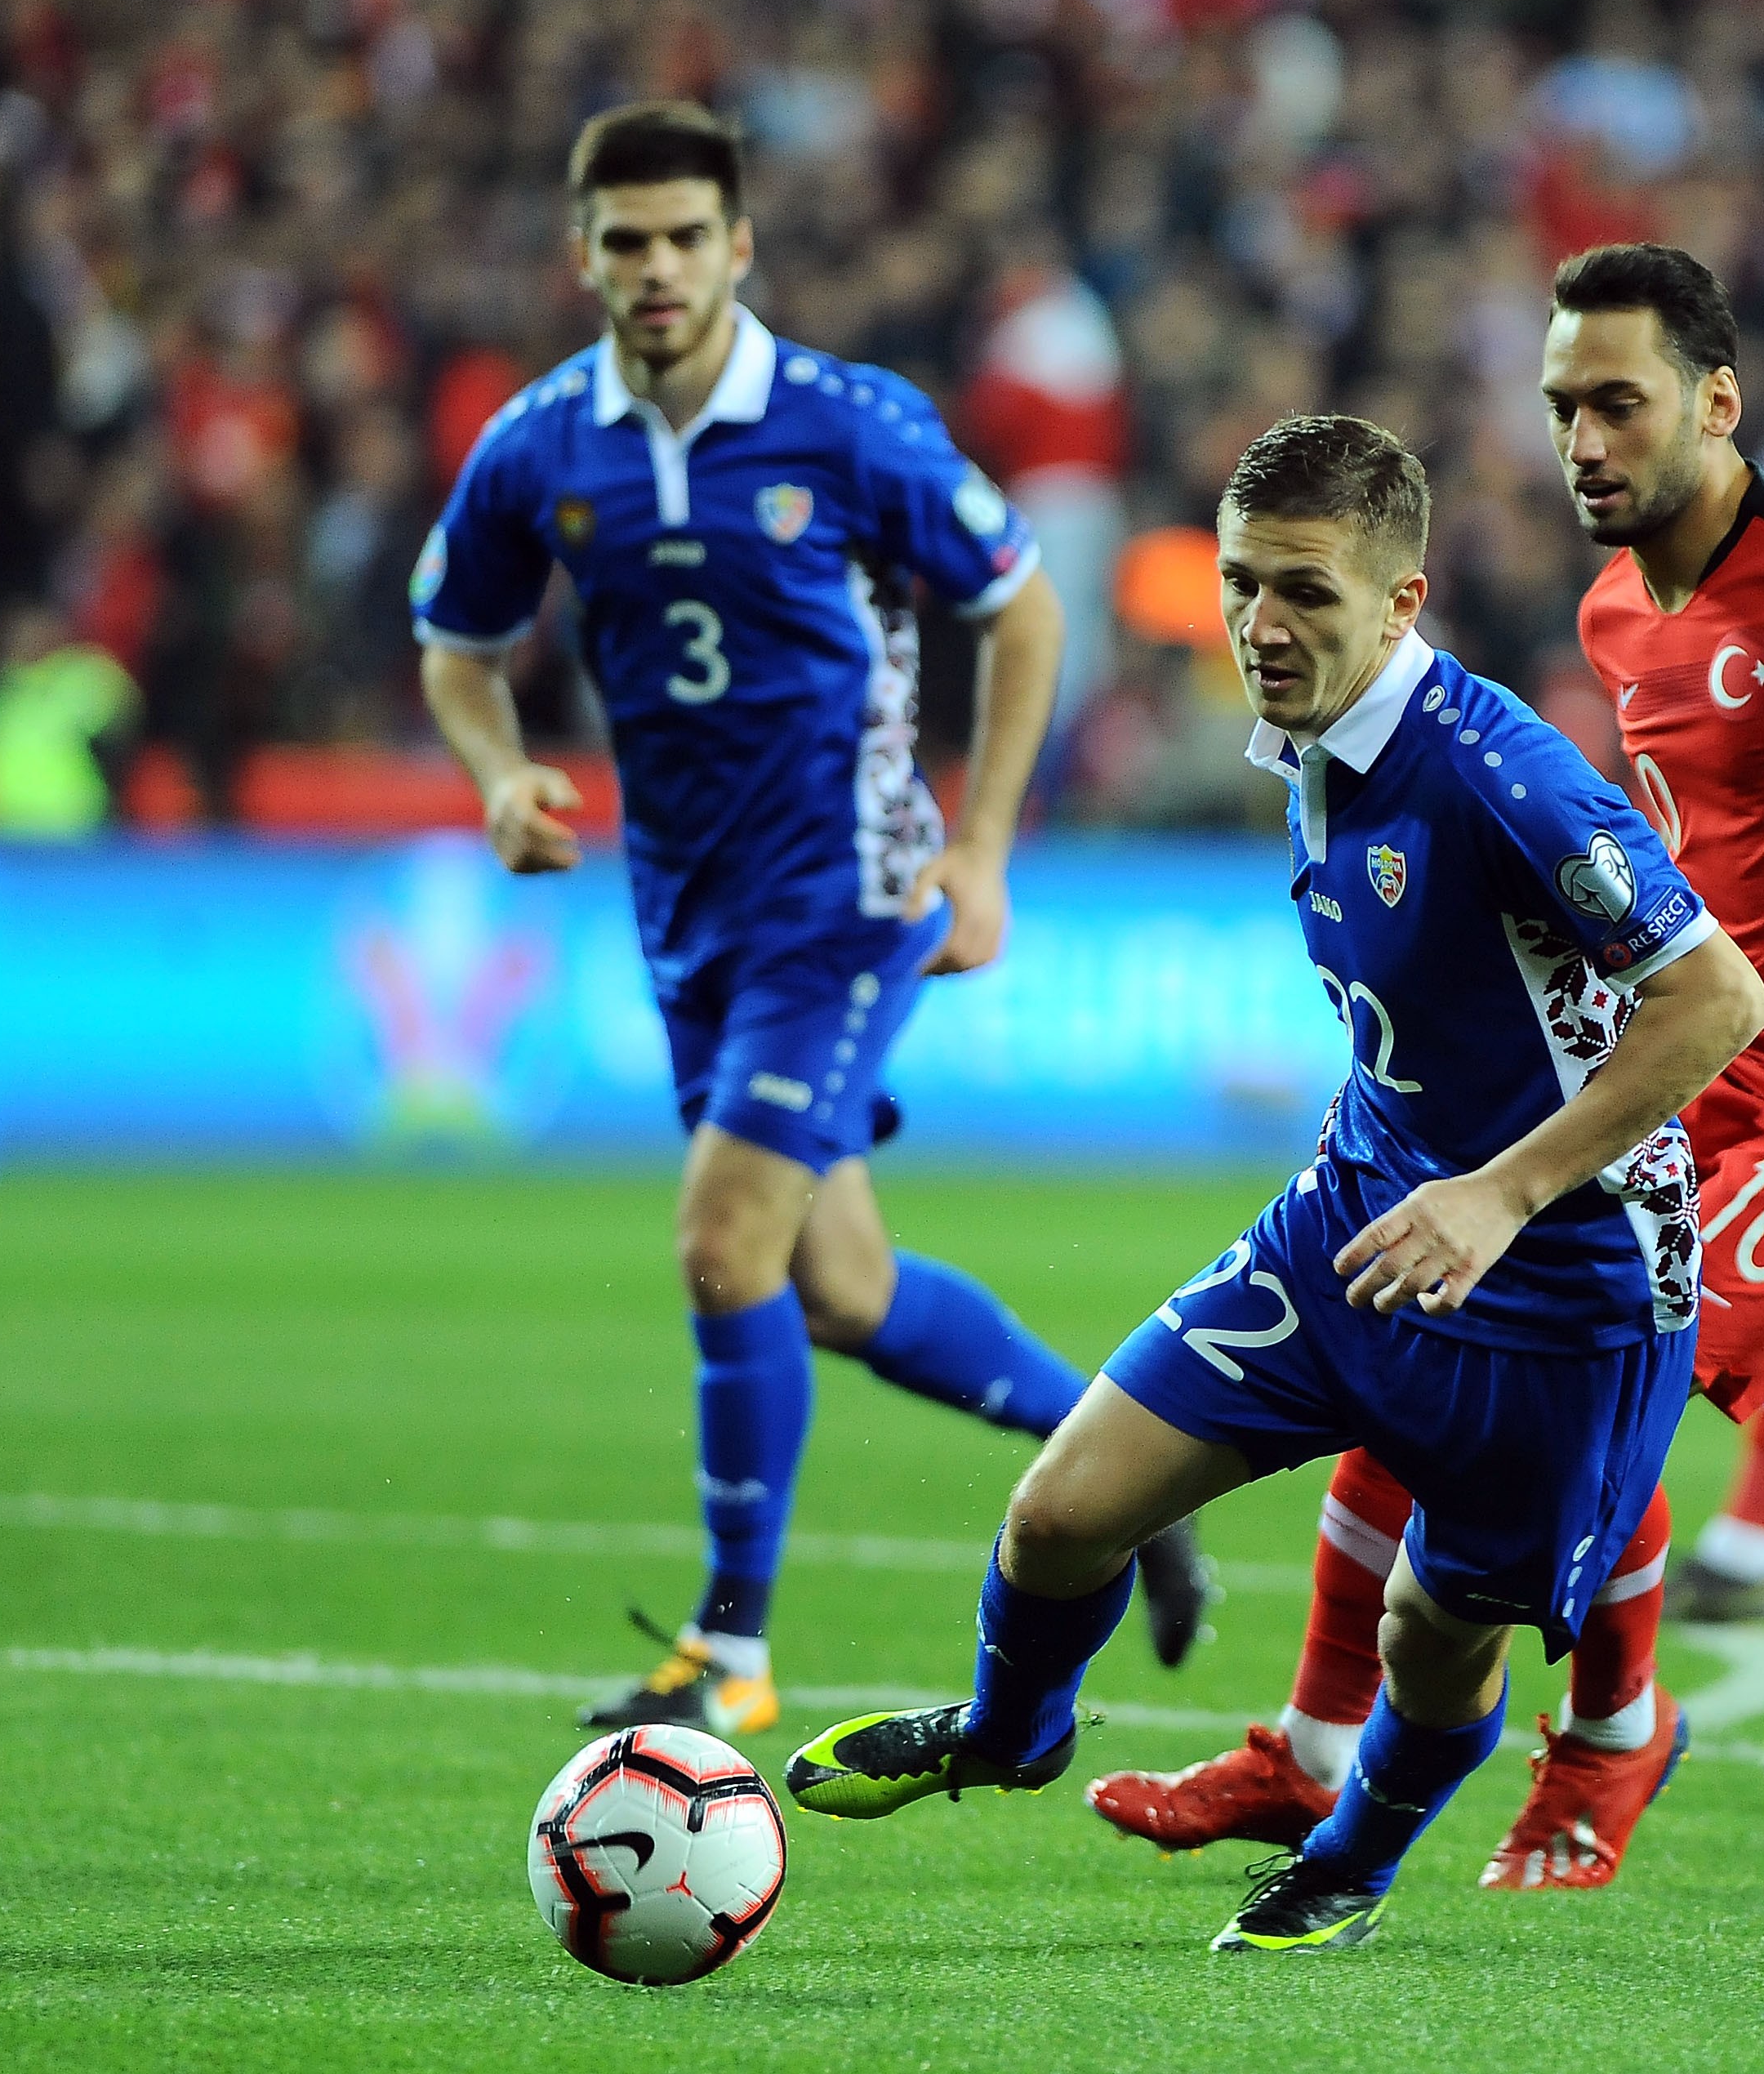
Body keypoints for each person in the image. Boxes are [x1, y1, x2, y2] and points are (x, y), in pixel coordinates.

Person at [1080, 243, 1764, 1890]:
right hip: (1712, 1072)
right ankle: (1304, 1759)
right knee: (1420, 1329)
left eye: (1616, 405)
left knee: (1588, 1387)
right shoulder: (1612, 609)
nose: (1581, 442)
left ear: (1716, 404)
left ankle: (1609, 1739)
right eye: (1559, 408)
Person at [782, 413, 1764, 1955]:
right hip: (1359, 1223)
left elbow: (1717, 1000)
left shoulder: (1501, 773)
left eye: (1308, 591)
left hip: (1563, 1294)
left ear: (1402, 601)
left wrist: (1501, 1192)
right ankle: (1008, 1731)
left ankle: (1354, 1859)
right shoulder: (1311, 745)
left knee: (1434, 1643)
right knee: (1059, 1515)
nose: (1263, 623)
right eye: (1245, 583)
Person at [411, 101, 1206, 1742]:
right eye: (623, 241)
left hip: (847, 898)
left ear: (737, 246)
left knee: (722, 1241)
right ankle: (1139, 1469)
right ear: (583, 255)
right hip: (682, 914)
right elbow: (455, 641)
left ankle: (728, 1645)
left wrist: (981, 852)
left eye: (683, 236)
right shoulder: (543, 443)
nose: (653, 268)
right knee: (837, 1288)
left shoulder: (852, 428)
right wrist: (497, 773)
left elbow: (1024, 606)